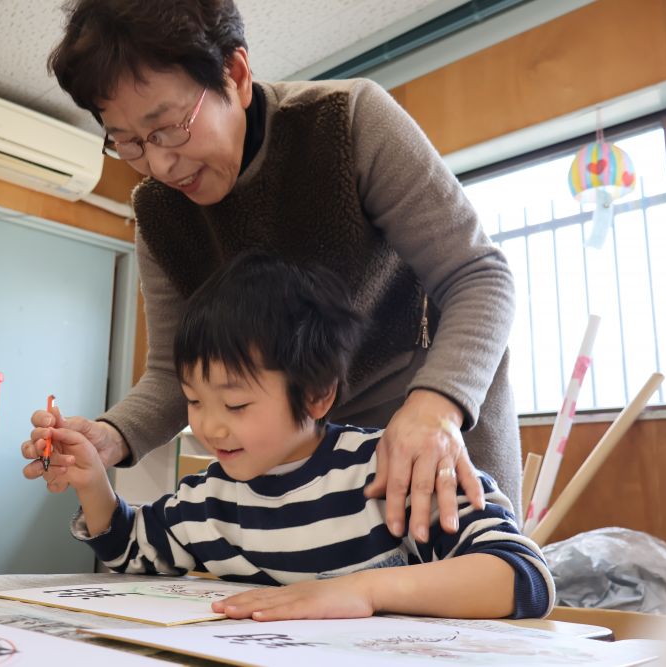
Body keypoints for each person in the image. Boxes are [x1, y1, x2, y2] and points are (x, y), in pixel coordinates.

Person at [28, 0, 522, 541]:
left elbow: (479, 277)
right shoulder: (159, 213)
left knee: (458, 590)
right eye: (126, 141)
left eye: (167, 128)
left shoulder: (347, 123)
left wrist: (435, 408)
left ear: (235, 75)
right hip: (293, 445)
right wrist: (110, 436)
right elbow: (176, 370)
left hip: (423, 407)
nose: (158, 164)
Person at [24, 253, 553, 620]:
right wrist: (92, 480)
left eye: (235, 403)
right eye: (194, 400)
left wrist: (363, 591)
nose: (208, 426)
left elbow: (524, 576)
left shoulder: (388, 472)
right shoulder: (211, 499)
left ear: (318, 395)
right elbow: (131, 550)